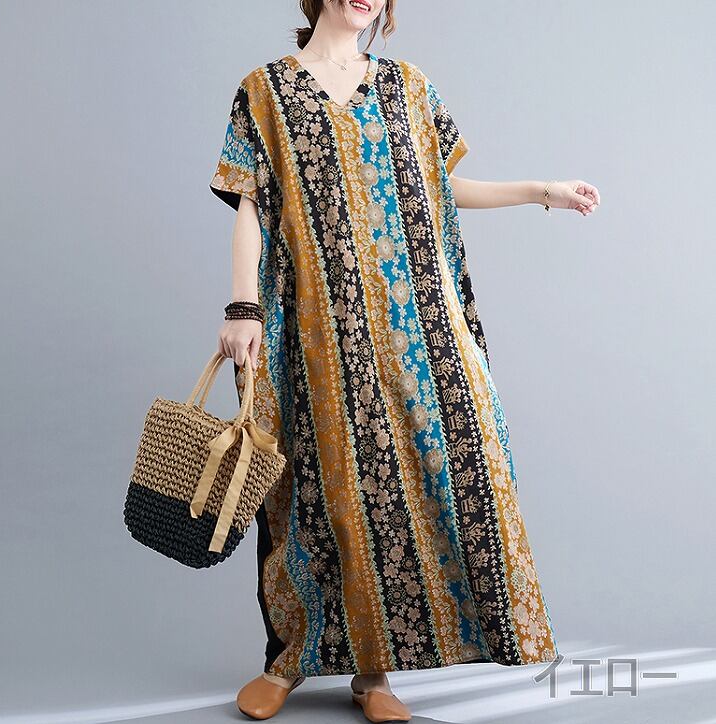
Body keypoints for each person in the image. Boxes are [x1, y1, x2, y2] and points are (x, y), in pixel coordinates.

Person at [209, 0, 600, 720]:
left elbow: (439, 188)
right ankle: (288, 661)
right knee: (307, 491)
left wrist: (540, 192)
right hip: (312, 335)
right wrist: (242, 307)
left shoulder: (407, 87)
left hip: (412, 332)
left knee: (396, 491)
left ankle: (375, 674)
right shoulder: (265, 90)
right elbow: (249, 206)